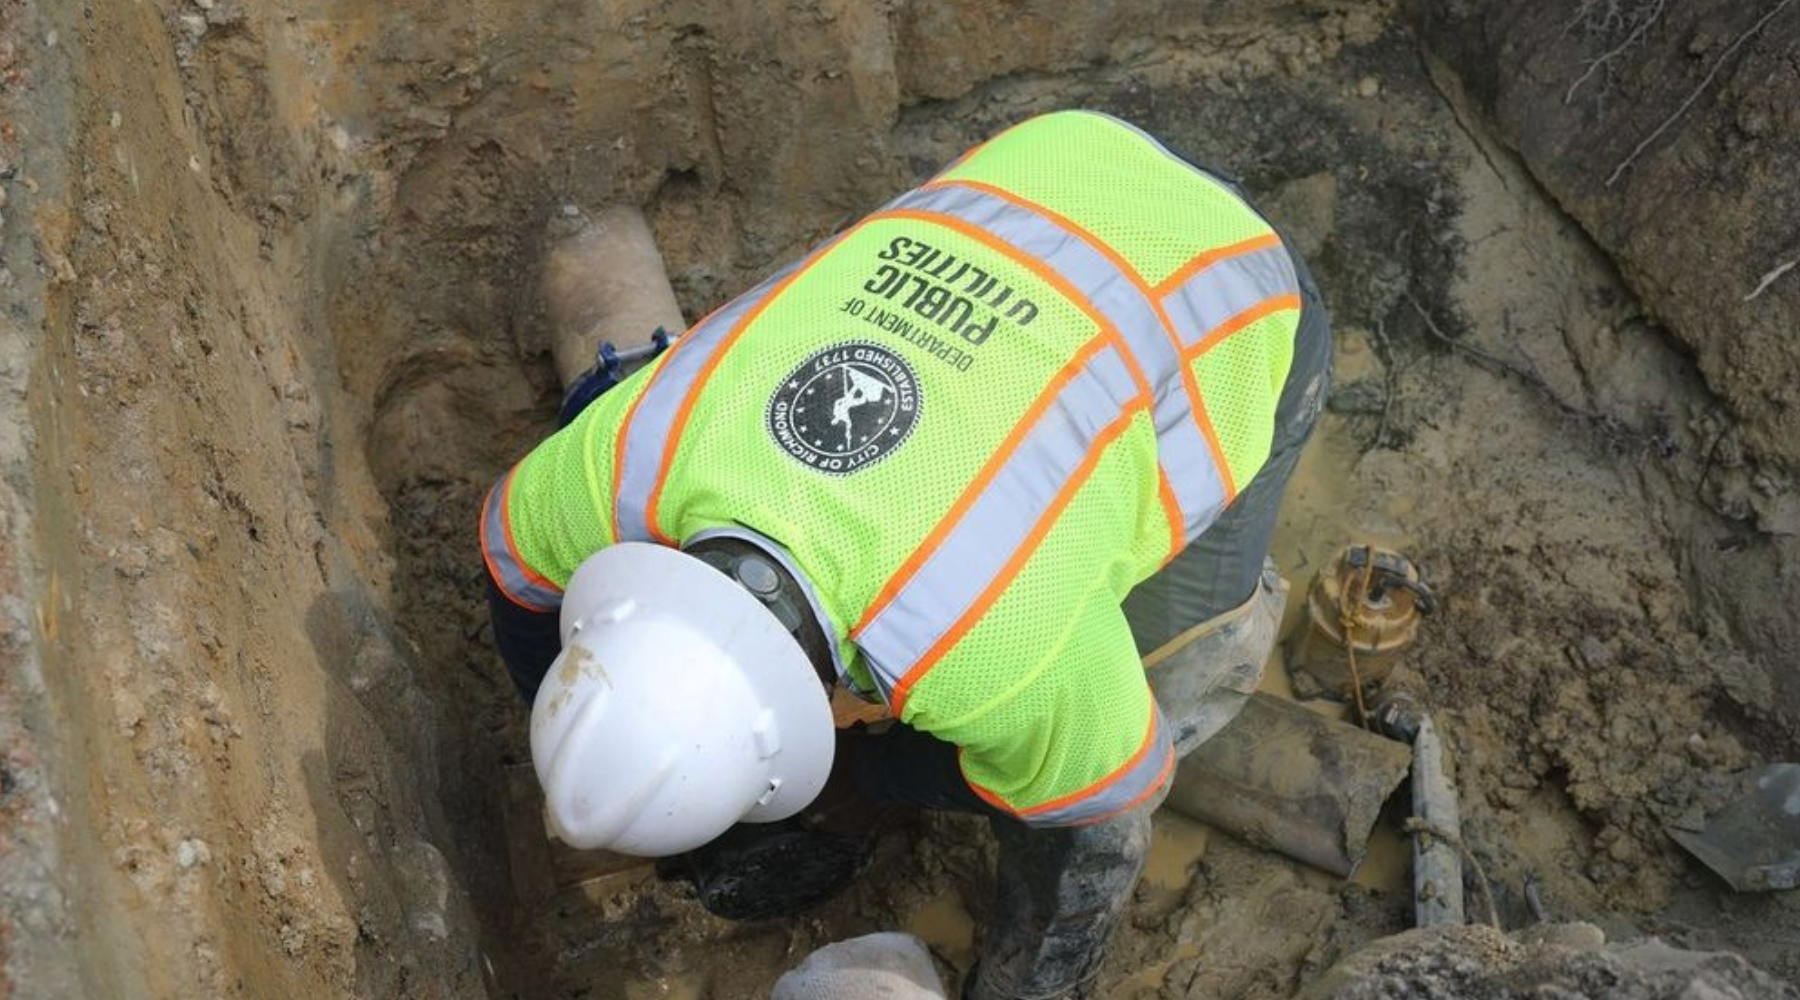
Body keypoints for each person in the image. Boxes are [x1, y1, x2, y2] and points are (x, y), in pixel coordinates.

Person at [481, 109, 1332, 1000]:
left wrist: (868, 779)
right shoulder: (610, 464)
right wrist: (596, 714)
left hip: (1229, 298)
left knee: (1161, 681)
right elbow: (512, 572)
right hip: (1051, 162)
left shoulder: (986, 647)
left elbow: (1110, 799)